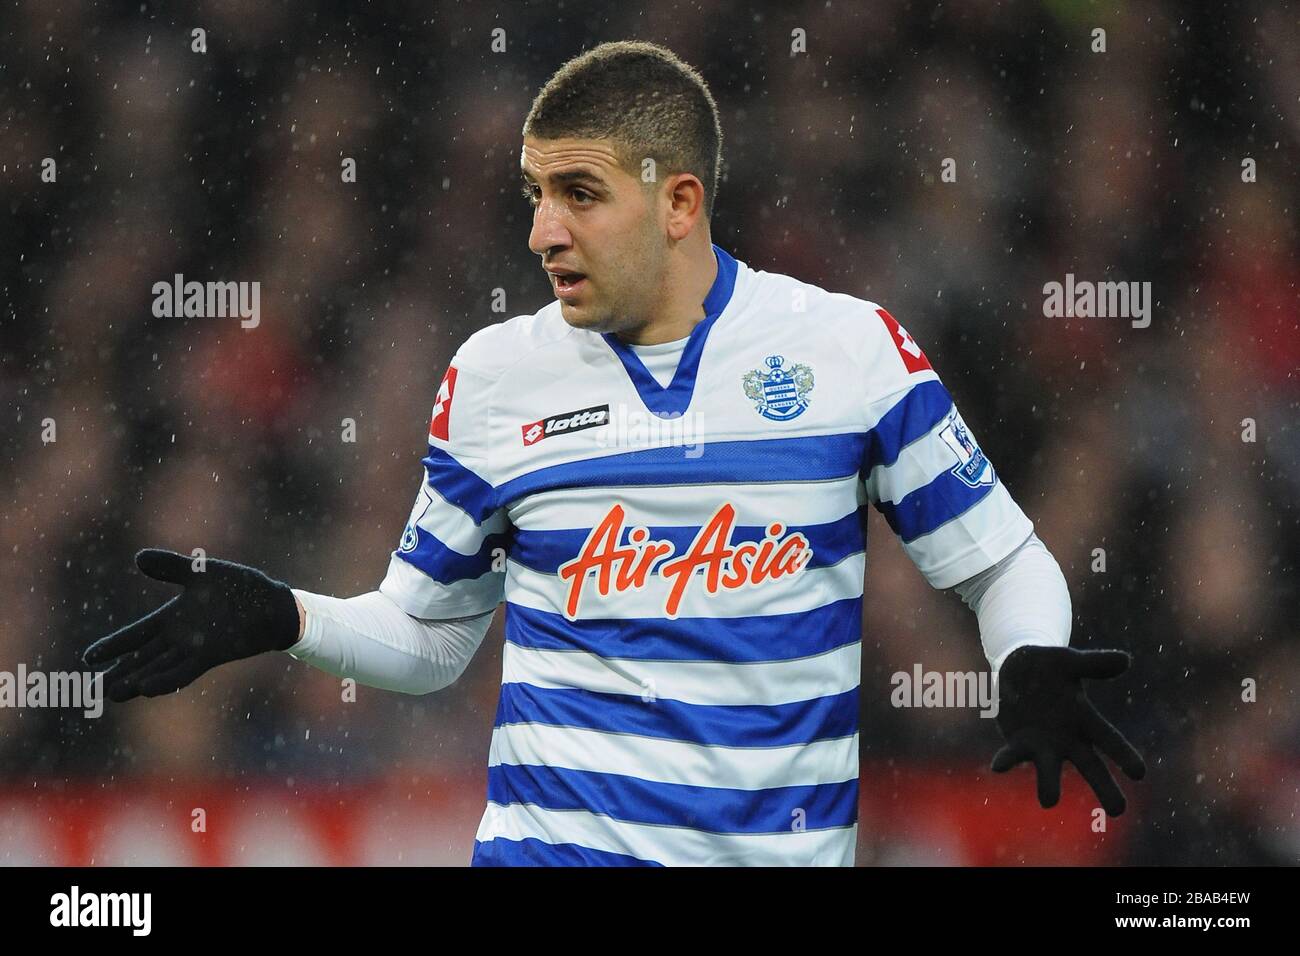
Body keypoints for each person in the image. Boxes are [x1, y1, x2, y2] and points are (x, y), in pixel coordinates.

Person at [83, 40, 1144, 866]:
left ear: (680, 201)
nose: (544, 229)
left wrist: (1027, 654)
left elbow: (999, 558)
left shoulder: (847, 351)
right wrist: (289, 617)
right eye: (534, 193)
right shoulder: (495, 376)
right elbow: (429, 636)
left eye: (579, 194)